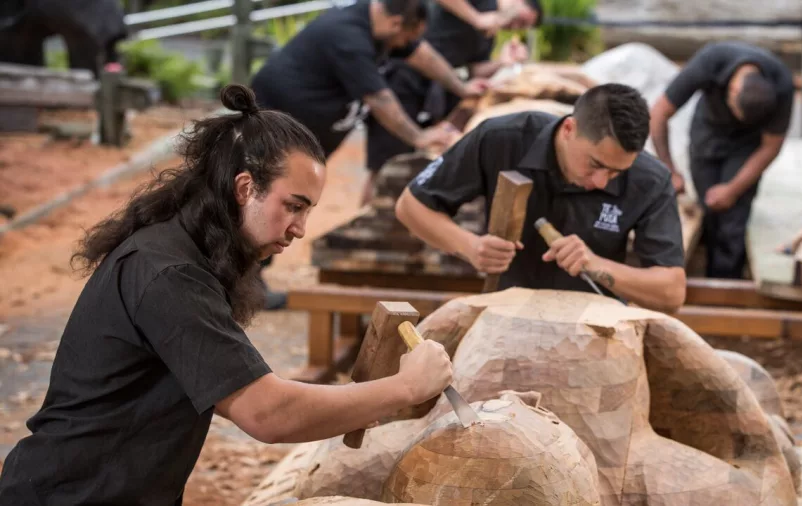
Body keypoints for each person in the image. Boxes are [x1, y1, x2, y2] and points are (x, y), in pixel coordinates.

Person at [0, 85, 453, 505]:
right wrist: (405, 387)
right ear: (244, 187)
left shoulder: (186, 250)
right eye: (292, 206)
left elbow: (243, 393)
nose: (300, 228)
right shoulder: (170, 275)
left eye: (307, 211)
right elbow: (267, 413)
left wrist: (357, 404)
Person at [250, 0, 489, 308]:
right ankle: (239, 281)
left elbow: (421, 54)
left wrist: (461, 87)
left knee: (281, 198)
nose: (407, 45)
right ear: (395, 24)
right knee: (266, 197)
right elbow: (379, 98)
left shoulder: (380, 26)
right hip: (275, 128)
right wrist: (420, 137)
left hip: (303, 136)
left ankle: (251, 279)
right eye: (407, 36)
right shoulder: (349, 36)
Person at [395, 84, 687, 314]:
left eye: (616, 173)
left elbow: (672, 292)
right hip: (503, 314)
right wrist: (470, 246)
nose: (600, 182)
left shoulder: (650, 179)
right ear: (569, 129)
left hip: (595, 328)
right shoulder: (502, 138)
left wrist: (596, 264)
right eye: (596, 165)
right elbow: (411, 206)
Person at [363, 0, 543, 204]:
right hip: (402, 81)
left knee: (419, 163)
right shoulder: (481, 7)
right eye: (519, 19)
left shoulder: (489, 32)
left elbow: (474, 69)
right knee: (385, 166)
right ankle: (361, 225)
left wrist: (503, 62)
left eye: (522, 26)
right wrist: (477, 19)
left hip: (435, 94)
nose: (516, 26)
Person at [650, 40, 794, 279]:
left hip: (747, 146)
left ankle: (726, 279)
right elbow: (658, 115)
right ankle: (704, 268)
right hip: (707, 134)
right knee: (709, 208)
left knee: (732, 218)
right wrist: (669, 171)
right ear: (733, 90)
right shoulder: (710, 61)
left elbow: (771, 147)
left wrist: (733, 190)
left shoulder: (781, 83)